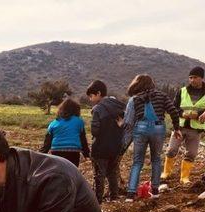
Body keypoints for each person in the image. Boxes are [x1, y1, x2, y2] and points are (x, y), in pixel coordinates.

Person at [122, 74, 181, 202]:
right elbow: (174, 111)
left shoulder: (134, 99)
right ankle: (155, 191)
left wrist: (124, 140)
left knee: (137, 162)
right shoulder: (162, 96)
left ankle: (130, 194)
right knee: (156, 159)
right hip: (158, 129)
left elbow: (128, 122)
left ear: (137, 84)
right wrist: (176, 128)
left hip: (141, 128)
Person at [161, 66, 205, 186]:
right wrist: (183, 114)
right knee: (171, 149)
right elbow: (173, 107)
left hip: (196, 129)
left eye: (195, 77)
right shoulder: (182, 91)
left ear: (201, 78)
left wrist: (199, 114)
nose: (192, 80)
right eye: (190, 77)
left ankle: (184, 177)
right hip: (180, 127)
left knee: (191, 153)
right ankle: (166, 173)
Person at [86, 80, 125, 203]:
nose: (90, 99)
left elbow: (95, 131)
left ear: (98, 93)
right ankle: (114, 197)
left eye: (91, 96)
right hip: (116, 147)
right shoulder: (119, 105)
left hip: (100, 148)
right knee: (112, 173)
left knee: (99, 175)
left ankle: (97, 200)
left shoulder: (98, 109)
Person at [40, 98, 90, 167]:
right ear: (76, 110)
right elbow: (83, 139)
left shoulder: (54, 123)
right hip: (73, 152)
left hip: (57, 151)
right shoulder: (79, 122)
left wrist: (42, 154)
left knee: (59, 171)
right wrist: (86, 154)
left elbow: (47, 142)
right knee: (72, 171)